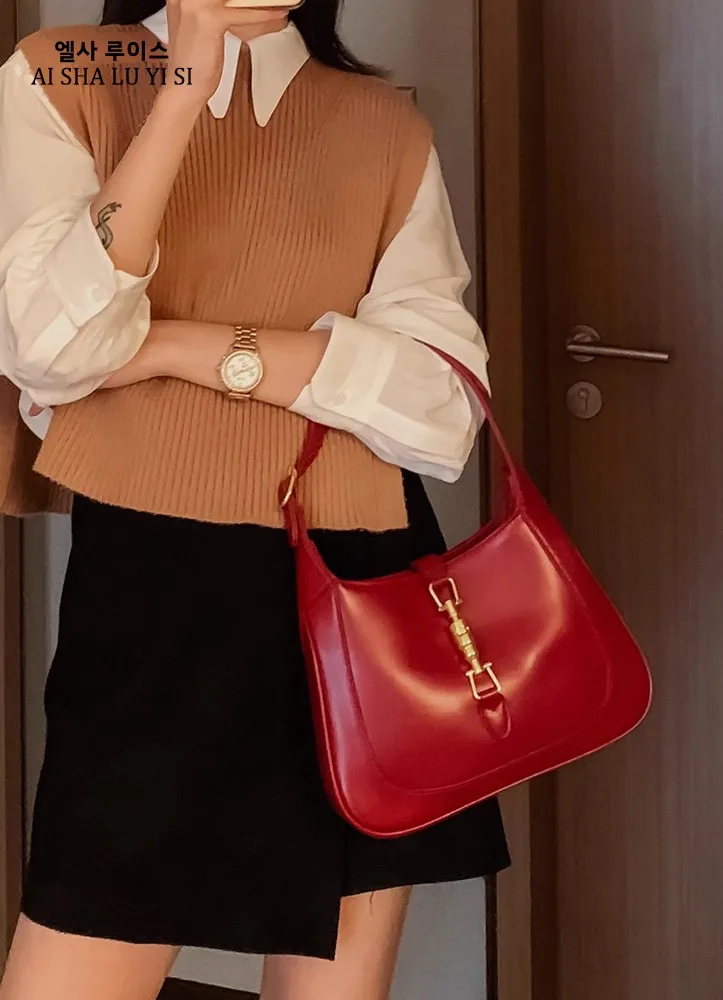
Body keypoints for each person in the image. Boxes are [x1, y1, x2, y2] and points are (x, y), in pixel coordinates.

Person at [0, 0, 510, 997]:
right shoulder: (63, 73)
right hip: (153, 595)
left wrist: (181, 347)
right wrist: (180, 89)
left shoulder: (381, 124)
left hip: (361, 594)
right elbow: (54, 348)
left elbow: (445, 406)